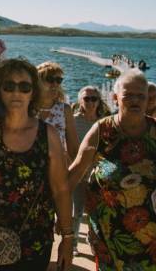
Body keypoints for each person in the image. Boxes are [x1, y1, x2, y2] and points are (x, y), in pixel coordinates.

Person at [0, 58, 73, 271]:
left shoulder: (48, 135)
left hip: (32, 239)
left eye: (24, 87)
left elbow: (61, 189)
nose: (16, 92)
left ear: (33, 92)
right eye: (9, 86)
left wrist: (68, 236)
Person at [69, 70, 156, 270]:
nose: (135, 101)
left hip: (152, 234)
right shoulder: (101, 130)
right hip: (109, 235)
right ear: (115, 98)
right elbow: (75, 173)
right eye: (128, 95)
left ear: (149, 99)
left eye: (141, 96)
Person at [71, 86, 110, 248]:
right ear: (80, 101)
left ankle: (92, 239)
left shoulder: (105, 123)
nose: (91, 102)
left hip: (98, 175)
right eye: (87, 99)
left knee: (97, 212)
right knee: (77, 211)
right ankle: (73, 244)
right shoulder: (72, 121)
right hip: (79, 173)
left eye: (94, 99)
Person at [37, 61, 79, 160]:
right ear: (37, 82)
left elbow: (73, 149)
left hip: (57, 168)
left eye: (59, 80)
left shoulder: (64, 110)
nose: (55, 84)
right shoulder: (27, 109)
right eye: (50, 79)